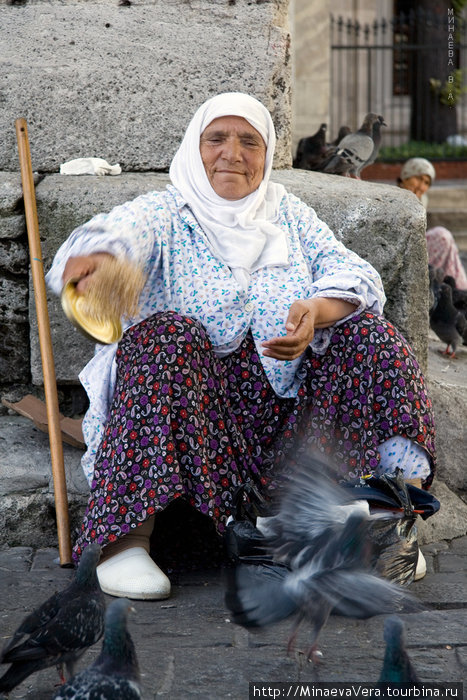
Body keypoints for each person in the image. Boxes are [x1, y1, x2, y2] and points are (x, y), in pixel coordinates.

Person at [46, 93, 436, 600]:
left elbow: (355, 274)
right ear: (195, 148)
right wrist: (97, 260)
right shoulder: (167, 213)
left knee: (370, 334)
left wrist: (316, 312)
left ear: (267, 154)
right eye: (217, 139)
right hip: (200, 431)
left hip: (292, 431)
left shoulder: (288, 215)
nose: (232, 153)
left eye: (249, 141)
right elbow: (117, 235)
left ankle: (384, 522)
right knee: (165, 337)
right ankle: (127, 540)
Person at [398, 157, 467, 290]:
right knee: (442, 235)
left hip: (416, 249)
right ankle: (460, 290)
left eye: (426, 182)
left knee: (447, 242)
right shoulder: (393, 196)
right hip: (402, 254)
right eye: (418, 178)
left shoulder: (422, 200)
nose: (421, 186)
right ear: (406, 176)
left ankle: (457, 291)